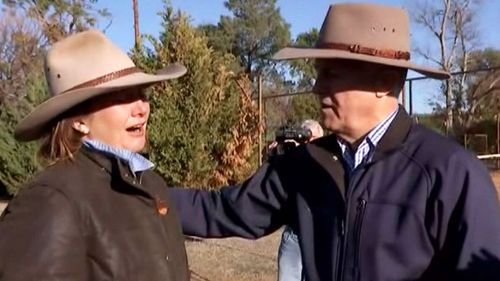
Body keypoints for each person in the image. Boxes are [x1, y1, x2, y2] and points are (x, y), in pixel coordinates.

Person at [168, 3, 500, 281]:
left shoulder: (450, 172)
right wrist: (144, 196)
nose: (316, 87)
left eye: (331, 74)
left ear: (383, 82)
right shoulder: (304, 165)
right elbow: (222, 210)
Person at [0, 30, 190, 281]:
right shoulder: (51, 199)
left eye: (141, 94)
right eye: (122, 97)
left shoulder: (150, 183)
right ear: (79, 121)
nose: (141, 108)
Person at [276, 120, 323, 281]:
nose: (309, 143)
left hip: (319, 236)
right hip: (294, 234)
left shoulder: (328, 161)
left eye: (312, 138)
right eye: (305, 138)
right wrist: (285, 157)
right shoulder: (292, 159)